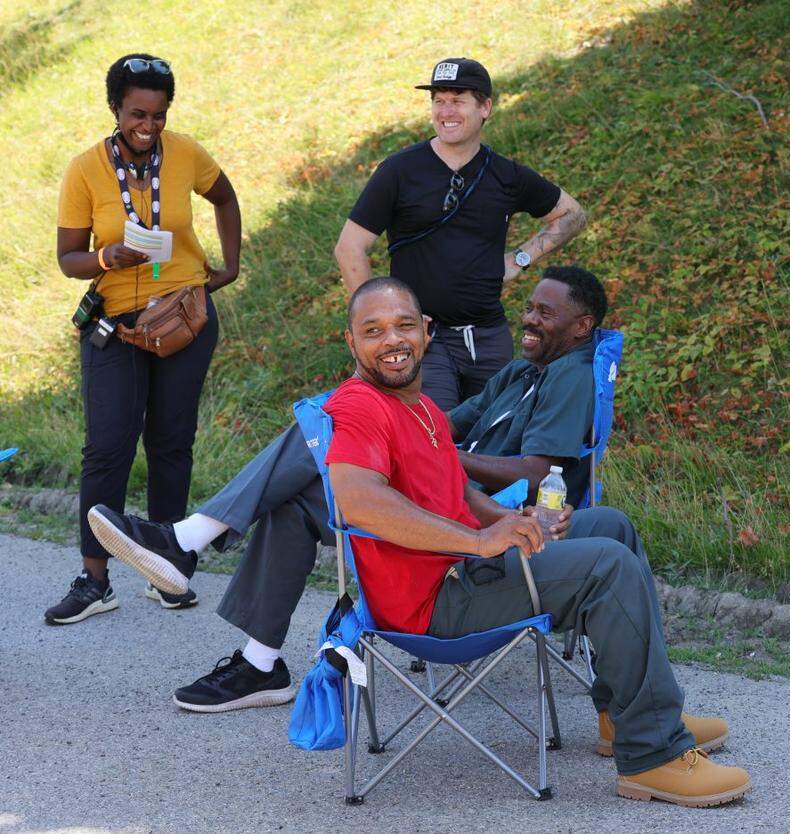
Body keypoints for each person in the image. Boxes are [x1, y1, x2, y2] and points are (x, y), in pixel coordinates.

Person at [88, 267, 610, 713]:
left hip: (467, 501)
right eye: (530, 307)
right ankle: (258, 660)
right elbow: (444, 423)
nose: (528, 319)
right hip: (434, 477)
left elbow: (540, 473)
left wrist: (434, 454)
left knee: (322, 434)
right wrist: (396, 433)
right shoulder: (520, 373)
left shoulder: (569, 377)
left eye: (545, 313)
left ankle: (191, 547)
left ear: (582, 326)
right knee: (302, 484)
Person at [333, 279, 751, 805]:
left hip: (459, 567)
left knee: (608, 525)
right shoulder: (362, 408)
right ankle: (654, 755)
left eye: (403, 325)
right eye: (373, 331)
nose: (392, 339)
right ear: (351, 341)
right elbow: (360, 502)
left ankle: (621, 713)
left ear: (426, 331)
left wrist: (517, 516)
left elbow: (453, 487)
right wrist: (480, 541)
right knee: (606, 566)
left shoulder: (418, 407)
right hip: (432, 599)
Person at [46, 53, 242, 625]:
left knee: (171, 442)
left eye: (158, 114)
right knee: (106, 448)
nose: (148, 126)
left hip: (182, 316)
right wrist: (108, 255)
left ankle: (169, 569)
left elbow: (224, 196)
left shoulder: (186, 153)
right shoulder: (85, 169)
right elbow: (68, 259)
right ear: (115, 109)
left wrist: (229, 264)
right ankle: (94, 578)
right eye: (137, 113)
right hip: (116, 323)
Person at [334, 57, 587, 411]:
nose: (445, 110)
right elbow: (349, 249)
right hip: (426, 342)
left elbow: (572, 215)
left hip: (489, 339)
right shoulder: (399, 171)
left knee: (493, 439)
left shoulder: (506, 176)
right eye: (438, 100)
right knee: (436, 437)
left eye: (458, 100)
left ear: (485, 107)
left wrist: (520, 258)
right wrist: (385, 321)